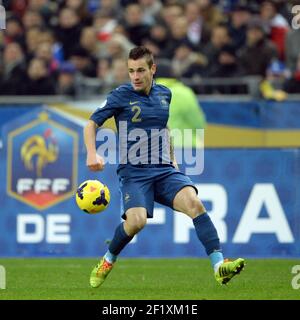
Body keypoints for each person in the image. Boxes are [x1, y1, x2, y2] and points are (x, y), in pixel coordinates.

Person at [84, 46, 245, 288]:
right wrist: (91, 153)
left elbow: (164, 129)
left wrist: (173, 161)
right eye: (131, 71)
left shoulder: (165, 94)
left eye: (140, 70)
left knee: (195, 203)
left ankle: (219, 266)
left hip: (163, 170)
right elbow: (90, 124)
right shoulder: (120, 95)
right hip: (134, 174)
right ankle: (108, 259)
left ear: (153, 69)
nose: (135, 76)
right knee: (136, 222)